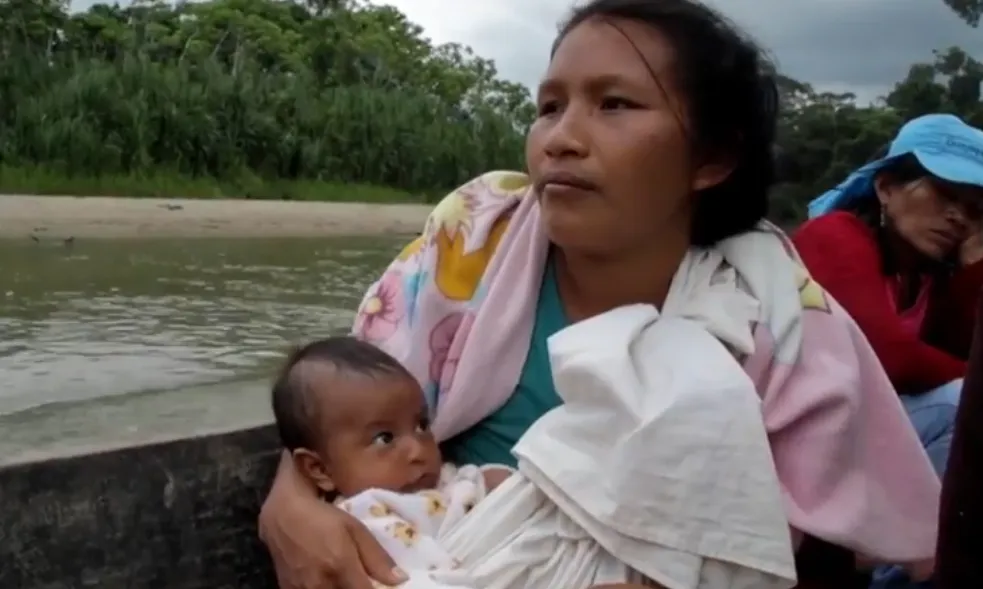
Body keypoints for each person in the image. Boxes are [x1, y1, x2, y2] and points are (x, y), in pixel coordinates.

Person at [258, 1, 940, 589]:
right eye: (548, 107)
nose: (560, 138)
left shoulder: (774, 313)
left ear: (713, 157)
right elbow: (343, 401)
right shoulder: (475, 233)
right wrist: (289, 503)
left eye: (613, 104)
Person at [793, 114, 983, 589]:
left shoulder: (924, 274)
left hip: (856, 440)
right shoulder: (834, 236)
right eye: (943, 194)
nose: (958, 217)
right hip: (793, 437)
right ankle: (908, 570)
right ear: (886, 188)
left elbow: (958, 347)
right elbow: (886, 357)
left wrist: (972, 267)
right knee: (964, 406)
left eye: (975, 209)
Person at [270, 337, 513, 589]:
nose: (417, 450)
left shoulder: (439, 479)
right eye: (384, 438)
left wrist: (494, 480)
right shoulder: (365, 520)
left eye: (422, 426)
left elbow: (469, 486)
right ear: (319, 469)